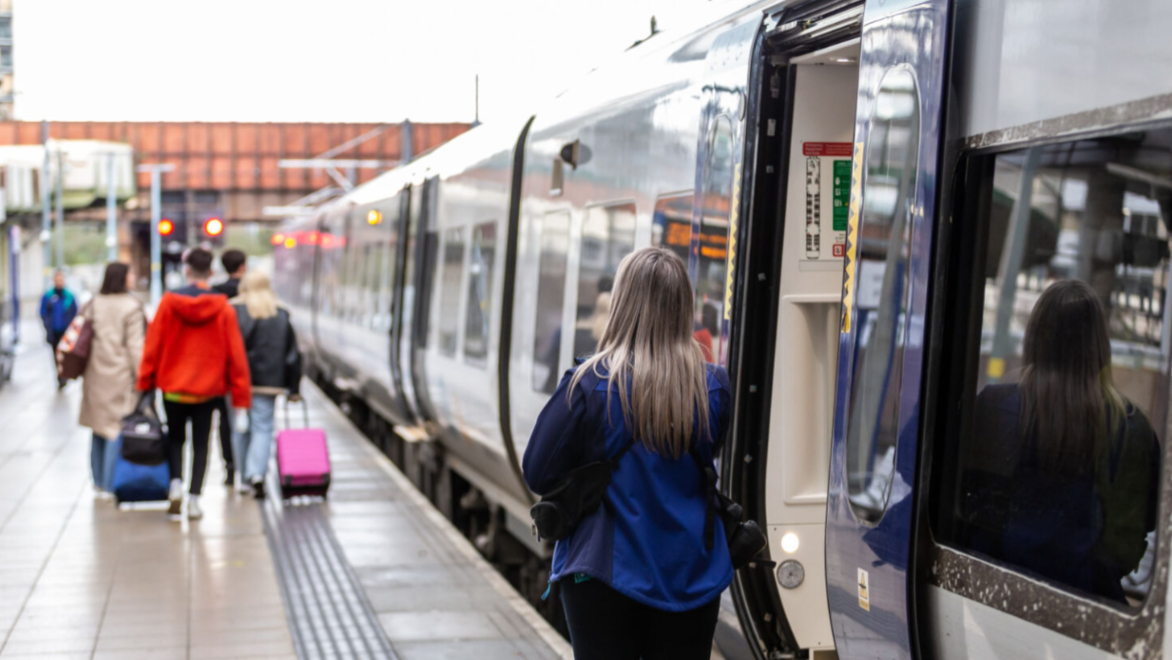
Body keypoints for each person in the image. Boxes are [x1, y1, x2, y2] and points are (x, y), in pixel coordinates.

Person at [523, 247, 733, 660]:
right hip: (692, 575)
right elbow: (706, 459)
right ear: (682, 308)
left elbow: (538, 471)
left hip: (601, 576)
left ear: (621, 303)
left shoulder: (587, 384)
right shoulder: (713, 387)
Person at [965, 279, 1160, 603]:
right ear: (1100, 347)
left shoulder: (994, 406)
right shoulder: (1132, 427)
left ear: (1035, 337)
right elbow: (1134, 535)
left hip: (992, 593)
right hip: (1094, 605)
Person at [137, 248, 251, 520]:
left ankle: (175, 485)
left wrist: (145, 383)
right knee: (202, 443)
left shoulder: (167, 303)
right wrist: (241, 401)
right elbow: (236, 355)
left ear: (187, 271)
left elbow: (152, 346)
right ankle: (194, 499)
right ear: (212, 273)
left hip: (173, 388)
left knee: (175, 438)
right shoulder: (223, 307)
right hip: (208, 390)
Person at [230, 270, 302, 498]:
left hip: (237, 382)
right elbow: (293, 355)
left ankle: (243, 479)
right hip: (268, 383)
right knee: (262, 428)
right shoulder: (279, 313)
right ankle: (257, 475)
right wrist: (294, 387)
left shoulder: (233, 311)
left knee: (240, 429)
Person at [78, 263, 145, 496]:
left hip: (94, 375)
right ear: (122, 278)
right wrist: (143, 378)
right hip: (120, 376)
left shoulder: (93, 303)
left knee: (97, 428)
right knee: (113, 430)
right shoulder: (131, 307)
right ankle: (108, 485)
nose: (134, 276)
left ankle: (97, 482)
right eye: (131, 273)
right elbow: (135, 348)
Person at [212, 249, 247, 485]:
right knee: (250, 418)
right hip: (247, 366)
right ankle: (248, 467)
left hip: (221, 366)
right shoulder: (252, 295)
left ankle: (230, 467)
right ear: (243, 267)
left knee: (224, 419)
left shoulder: (216, 294)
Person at [40, 269, 78, 387]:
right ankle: (59, 376)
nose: (59, 281)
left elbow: (75, 313)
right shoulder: (48, 296)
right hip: (54, 331)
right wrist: (47, 325)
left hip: (66, 332)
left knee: (65, 354)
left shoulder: (69, 296)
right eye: (57, 279)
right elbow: (43, 312)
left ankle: (64, 375)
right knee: (55, 354)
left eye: (61, 279)